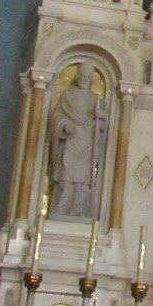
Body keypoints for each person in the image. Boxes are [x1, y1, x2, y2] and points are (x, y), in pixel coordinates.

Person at [47, 60, 108, 218]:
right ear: (77, 77)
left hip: (87, 143)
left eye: (88, 77)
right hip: (71, 141)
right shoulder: (67, 95)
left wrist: (100, 118)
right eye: (83, 76)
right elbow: (57, 116)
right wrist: (65, 125)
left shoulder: (96, 99)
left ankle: (79, 210)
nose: (85, 80)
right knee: (66, 176)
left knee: (83, 180)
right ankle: (61, 208)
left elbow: (102, 124)